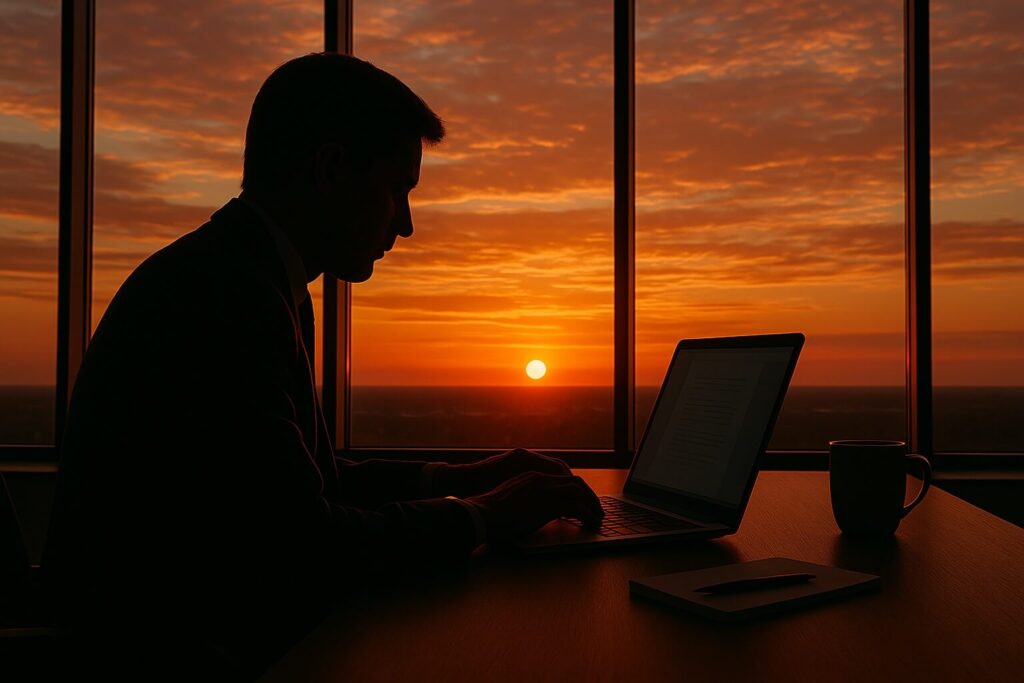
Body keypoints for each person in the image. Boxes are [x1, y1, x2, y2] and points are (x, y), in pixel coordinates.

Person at [42, 53, 603, 679]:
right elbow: (305, 550)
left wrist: (466, 477)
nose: (408, 225)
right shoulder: (225, 298)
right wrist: (485, 515)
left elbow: (299, 483)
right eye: (397, 190)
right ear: (332, 169)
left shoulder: (244, 276)